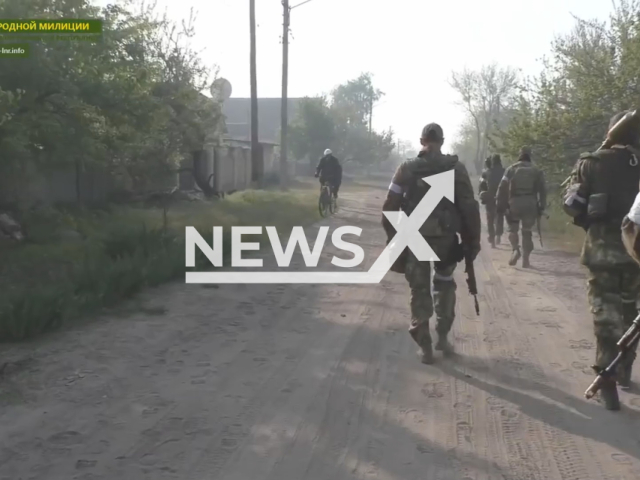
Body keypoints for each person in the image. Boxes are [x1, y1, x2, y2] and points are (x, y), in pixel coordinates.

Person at [381, 123, 481, 364]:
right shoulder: (456, 168)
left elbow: (390, 205)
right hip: (446, 239)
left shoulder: (406, 169)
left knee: (420, 289)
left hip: (415, 237)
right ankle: (443, 337)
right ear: (443, 141)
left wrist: (393, 238)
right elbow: (469, 207)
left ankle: (425, 345)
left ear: (421, 140)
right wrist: (472, 240)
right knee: (445, 285)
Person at [563, 110, 640, 410]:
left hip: (602, 253)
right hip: (636, 255)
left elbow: (571, 205)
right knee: (630, 312)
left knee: (606, 319)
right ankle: (625, 370)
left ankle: (607, 377)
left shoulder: (591, 162)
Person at [496, 146, 546, 268]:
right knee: (527, 231)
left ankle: (515, 250)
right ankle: (526, 260)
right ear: (530, 156)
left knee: (513, 229)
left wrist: (501, 203)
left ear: (520, 155)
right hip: (530, 204)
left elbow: (502, 187)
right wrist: (541, 206)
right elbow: (543, 190)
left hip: (514, 203)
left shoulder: (511, 169)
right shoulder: (536, 170)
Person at [479, 154, 506, 248]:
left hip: (490, 198)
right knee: (499, 216)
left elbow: (482, 186)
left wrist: (481, 195)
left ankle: (492, 238)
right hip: (501, 198)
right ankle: (498, 235)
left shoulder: (487, 172)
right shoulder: (504, 172)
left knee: (490, 219)